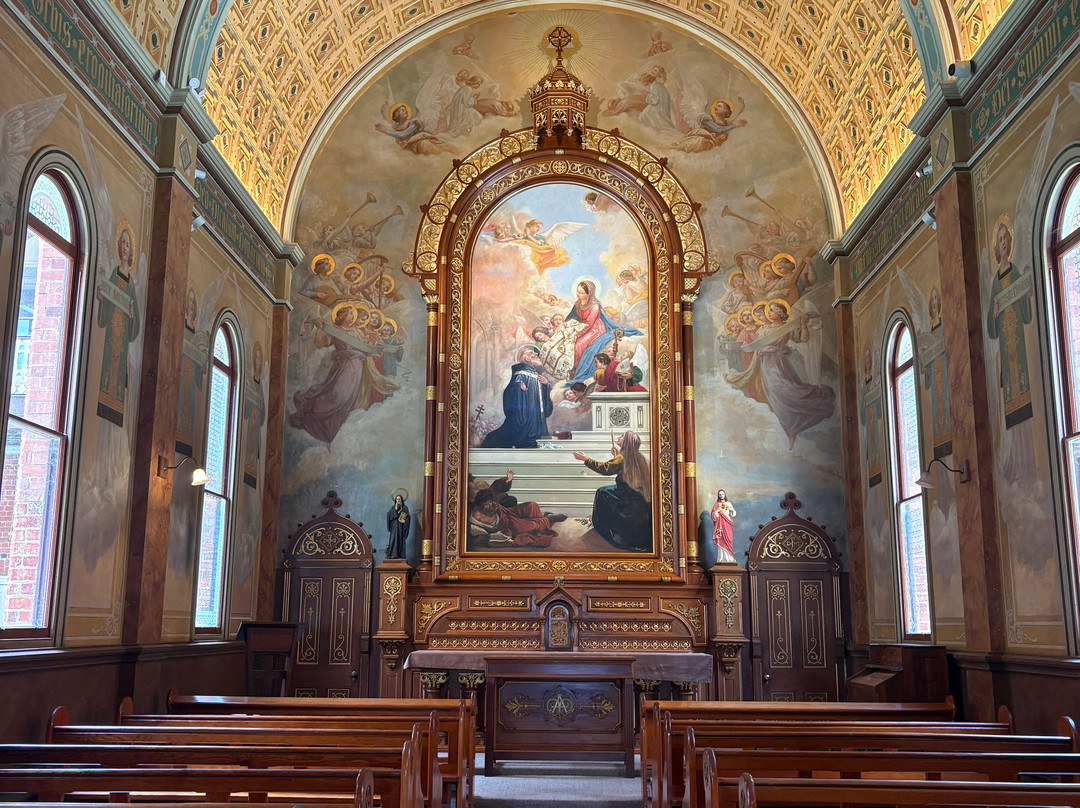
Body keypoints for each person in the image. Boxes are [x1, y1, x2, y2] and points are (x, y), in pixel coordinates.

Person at [572, 429, 652, 552]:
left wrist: (586, 459)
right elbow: (628, 470)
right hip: (639, 496)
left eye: (622, 436)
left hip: (626, 494)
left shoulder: (622, 457)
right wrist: (618, 455)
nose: (619, 437)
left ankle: (603, 529)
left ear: (627, 441)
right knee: (605, 490)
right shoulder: (640, 456)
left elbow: (605, 469)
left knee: (602, 492)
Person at [563, 280, 642, 385]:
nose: (578, 295)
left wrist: (577, 334)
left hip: (594, 328)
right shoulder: (577, 303)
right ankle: (568, 367)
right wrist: (568, 326)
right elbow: (571, 316)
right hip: (581, 327)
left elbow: (590, 323)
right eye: (578, 292)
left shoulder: (594, 305)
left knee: (578, 345)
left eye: (581, 293)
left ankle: (576, 370)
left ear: (589, 293)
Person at [481, 345, 553, 448]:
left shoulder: (536, 375)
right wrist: (519, 390)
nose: (536, 354)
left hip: (537, 419)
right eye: (531, 353)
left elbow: (542, 398)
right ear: (526, 358)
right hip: (525, 418)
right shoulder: (520, 374)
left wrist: (546, 385)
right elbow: (510, 393)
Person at [468, 485, 566, 548]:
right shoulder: (477, 517)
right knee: (528, 526)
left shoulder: (493, 505)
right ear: (480, 505)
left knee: (532, 505)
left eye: (491, 502)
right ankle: (548, 519)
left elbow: (498, 490)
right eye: (487, 504)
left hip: (508, 513)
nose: (491, 505)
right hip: (508, 525)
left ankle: (544, 520)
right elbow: (481, 532)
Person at [711, 489, 737, 564]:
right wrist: (717, 510)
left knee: (729, 539)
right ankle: (721, 558)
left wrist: (731, 509)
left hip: (727, 522)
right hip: (720, 523)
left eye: (722, 494)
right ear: (718, 495)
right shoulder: (716, 504)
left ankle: (730, 558)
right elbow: (713, 515)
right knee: (721, 539)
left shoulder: (728, 503)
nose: (721, 495)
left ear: (725, 494)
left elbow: (734, 513)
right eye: (720, 494)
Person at [385, 493, 410, 558]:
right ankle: (392, 555)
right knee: (393, 540)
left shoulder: (405, 508)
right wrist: (395, 510)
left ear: (401, 500)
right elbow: (389, 516)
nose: (398, 500)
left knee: (400, 540)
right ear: (395, 500)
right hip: (394, 527)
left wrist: (405, 521)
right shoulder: (392, 508)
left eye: (399, 499)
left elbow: (408, 517)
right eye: (397, 499)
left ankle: (400, 555)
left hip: (401, 528)